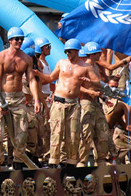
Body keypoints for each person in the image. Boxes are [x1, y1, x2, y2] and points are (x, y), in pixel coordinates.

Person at [34, 39, 100, 168]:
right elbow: (50, 78)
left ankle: (71, 162)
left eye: (70, 51)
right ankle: (53, 161)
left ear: (76, 51)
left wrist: (89, 81)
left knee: (73, 134)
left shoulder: (85, 67)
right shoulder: (61, 63)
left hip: (74, 104)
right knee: (56, 133)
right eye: (66, 52)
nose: (68, 54)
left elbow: (97, 82)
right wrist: (39, 74)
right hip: (59, 102)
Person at [0, 27, 41, 171]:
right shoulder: (1, 57)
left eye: (21, 39)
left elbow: (31, 80)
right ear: (10, 40)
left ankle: (17, 163)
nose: (19, 41)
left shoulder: (26, 59)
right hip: (3, 96)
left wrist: (36, 100)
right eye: (16, 39)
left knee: (21, 135)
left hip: (18, 99)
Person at [76, 42, 117, 167]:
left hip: (96, 103)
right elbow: (77, 86)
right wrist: (89, 91)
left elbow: (98, 88)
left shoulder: (95, 68)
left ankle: (101, 160)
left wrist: (104, 99)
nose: (100, 55)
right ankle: (82, 162)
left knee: (103, 133)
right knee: (86, 133)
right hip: (86, 103)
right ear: (93, 54)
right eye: (98, 53)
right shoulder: (83, 67)